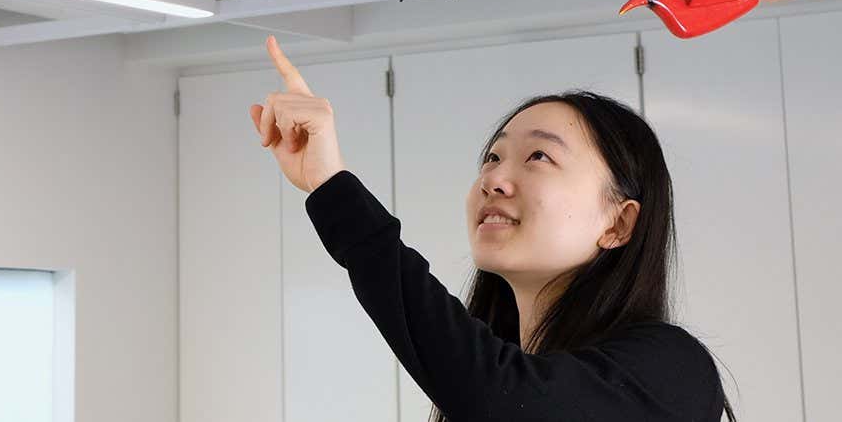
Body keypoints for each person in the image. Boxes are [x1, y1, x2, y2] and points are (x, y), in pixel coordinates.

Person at [250, 36, 735, 422]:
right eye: (493, 157)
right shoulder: (498, 368)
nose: (494, 179)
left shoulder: (671, 371)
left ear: (618, 222)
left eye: (539, 156)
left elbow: (507, 397)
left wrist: (333, 186)